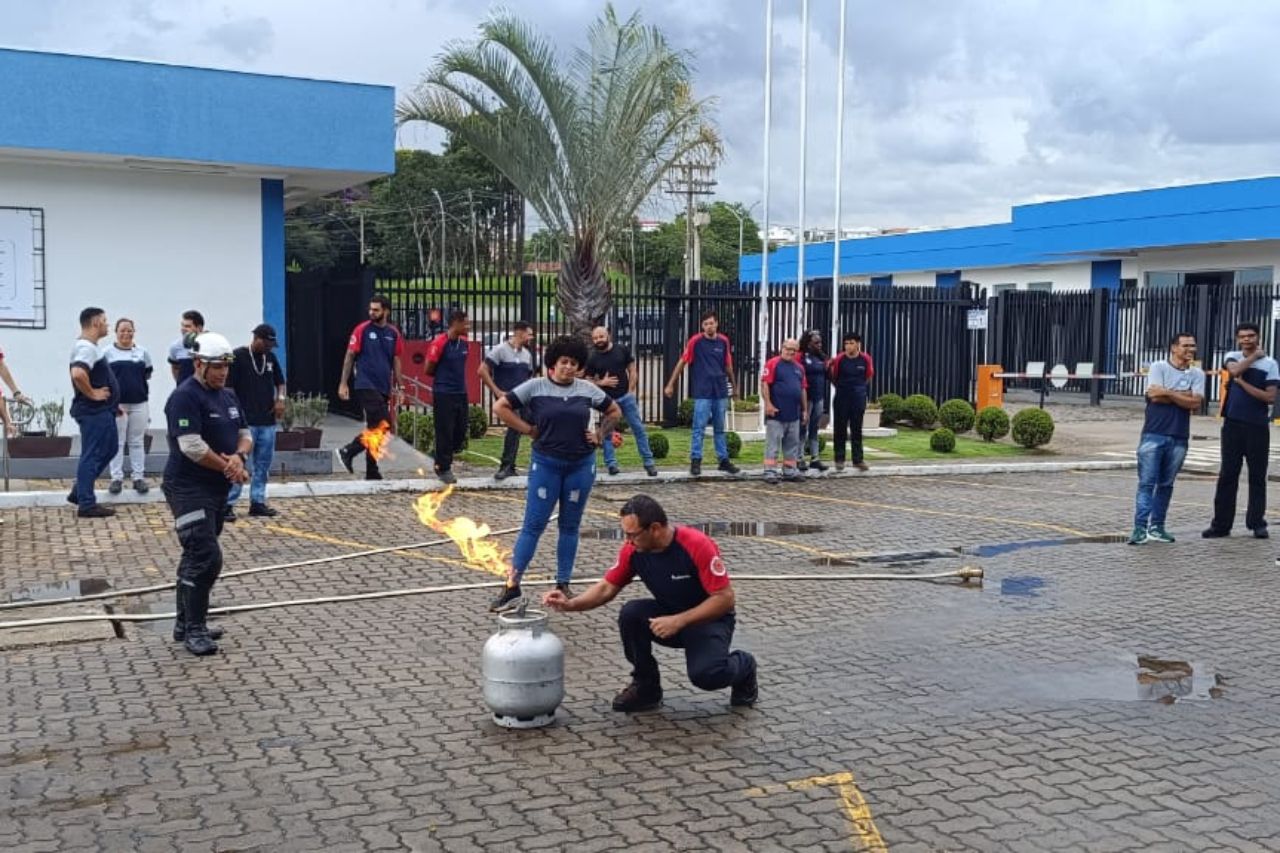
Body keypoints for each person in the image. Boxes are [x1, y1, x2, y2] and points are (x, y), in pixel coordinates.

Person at [542, 494, 758, 712]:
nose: (628, 541)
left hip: (709, 620)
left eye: (632, 534)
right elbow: (606, 588)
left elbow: (724, 598)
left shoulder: (696, 545)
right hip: (669, 615)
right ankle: (646, 687)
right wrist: (571, 604)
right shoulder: (633, 550)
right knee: (631, 614)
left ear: (654, 529)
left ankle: (745, 666)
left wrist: (679, 621)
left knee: (707, 676)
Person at [489, 334, 622, 612]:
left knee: (570, 526)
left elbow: (614, 411)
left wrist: (600, 434)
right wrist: (527, 429)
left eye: (574, 363)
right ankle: (512, 586)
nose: (568, 367)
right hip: (546, 465)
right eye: (564, 362)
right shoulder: (535, 387)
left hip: (580, 466)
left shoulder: (587, 389)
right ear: (553, 363)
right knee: (533, 525)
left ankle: (563, 583)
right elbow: (500, 407)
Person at [163, 332, 252, 656]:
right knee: (206, 556)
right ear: (199, 364)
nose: (223, 372)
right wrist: (229, 468)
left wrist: (239, 457)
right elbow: (192, 447)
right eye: (217, 367)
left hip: (215, 489)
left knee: (195, 556)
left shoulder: (228, 396)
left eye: (226, 366)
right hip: (187, 488)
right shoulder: (184, 397)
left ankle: (184, 622)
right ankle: (195, 630)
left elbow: (245, 434)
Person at [1204, 322, 1280, 539]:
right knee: (1228, 475)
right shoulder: (1233, 356)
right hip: (1232, 425)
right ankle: (1221, 525)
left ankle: (1257, 523)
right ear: (1238, 339)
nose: (1247, 339)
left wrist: (1242, 384)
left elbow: (1270, 397)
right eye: (1243, 336)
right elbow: (1235, 370)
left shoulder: (1270, 364)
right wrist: (1254, 357)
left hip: (1257, 426)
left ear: (1258, 337)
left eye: (1251, 336)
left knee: (1257, 476)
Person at [1129, 333, 1205, 545]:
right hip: (1154, 434)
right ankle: (1139, 528)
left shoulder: (1197, 374)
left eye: (1193, 346)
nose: (1190, 350)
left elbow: (1195, 404)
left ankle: (1157, 526)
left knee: (1166, 484)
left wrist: (1168, 393)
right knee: (1146, 483)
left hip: (1179, 436)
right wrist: (1183, 394)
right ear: (1173, 348)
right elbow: (1154, 396)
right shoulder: (1159, 367)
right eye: (1185, 346)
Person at [664, 311, 740, 477]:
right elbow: (682, 361)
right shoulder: (696, 341)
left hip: (720, 390)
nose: (709, 327)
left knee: (720, 428)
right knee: (699, 427)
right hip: (703, 391)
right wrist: (671, 384)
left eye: (711, 323)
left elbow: (728, 365)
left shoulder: (723, 341)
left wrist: (734, 387)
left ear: (716, 324)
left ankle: (723, 460)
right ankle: (696, 460)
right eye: (706, 324)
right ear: (702, 326)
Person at [337, 295, 403, 481]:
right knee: (385, 424)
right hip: (365, 384)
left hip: (383, 386)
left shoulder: (393, 333)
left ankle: (372, 470)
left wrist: (400, 385)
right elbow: (350, 356)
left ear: (386, 311)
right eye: (370, 309)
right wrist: (343, 383)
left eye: (376, 310)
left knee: (375, 428)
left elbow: (396, 360)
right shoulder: (362, 330)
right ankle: (349, 450)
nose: (371, 312)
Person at [225, 324, 286, 520]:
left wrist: (280, 399)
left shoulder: (270, 358)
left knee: (263, 463)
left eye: (271, 345)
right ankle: (228, 504)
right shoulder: (238, 356)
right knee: (239, 462)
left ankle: (258, 501)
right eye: (266, 343)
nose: (269, 347)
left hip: (267, 420)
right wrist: (234, 411)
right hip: (246, 422)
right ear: (257, 338)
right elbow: (228, 388)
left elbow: (280, 382)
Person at [67, 307, 121, 518]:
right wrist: (93, 394)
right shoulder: (86, 348)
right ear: (96, 322)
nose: (107, 325)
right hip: (93, 411)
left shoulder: (90, 347)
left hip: (102, 410)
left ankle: (79, 491)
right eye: (105, 321)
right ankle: (87, 503)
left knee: (109, 448)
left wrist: (112, 402)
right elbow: (78, 373)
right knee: (93, 454)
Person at [586, 325, 659, 477]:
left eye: (601, 336)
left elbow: (632, 369)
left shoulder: (621, 350)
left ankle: (649, 463)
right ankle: (611, 464)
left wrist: (631, 391)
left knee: (638, 429)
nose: (598, 340)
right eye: (595, 338)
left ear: (608, 335)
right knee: (607, 433)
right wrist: (602, 383)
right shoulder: (593, 358)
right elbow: (588, 380)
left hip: (626, 398)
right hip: (608, 401)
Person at [479, 321, 536, 480]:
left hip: (523, 397)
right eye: (529, 334)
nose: (531, 338)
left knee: (538, 422)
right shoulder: (500, 350)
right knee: (515, 427)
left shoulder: (527, 355)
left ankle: (536, 463)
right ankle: (506, 466)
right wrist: (497, 391)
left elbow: (528, 377)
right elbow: (482, 370)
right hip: (507, 398)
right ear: (520, 333)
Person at [105, 318, 153, 495]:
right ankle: (116, 478)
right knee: (117, 442)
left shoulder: (142, 352)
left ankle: (138, 477)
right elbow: (103, 377)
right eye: (122, 330)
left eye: (129, 330)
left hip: (139, 403)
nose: (126, 333)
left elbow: (147, 374)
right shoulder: (107, 353)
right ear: (116, 332)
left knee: (137, 441)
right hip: (118, 404)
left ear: (134, 331)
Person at [425, 310, 472, 485]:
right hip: (444, 393)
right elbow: (428, 368)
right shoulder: (439, 343)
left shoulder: (465, 344)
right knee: (444, 430)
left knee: (460, 431)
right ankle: (443, 467)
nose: (468, 326)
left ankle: (439, 454)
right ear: (456, 323)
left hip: (461, 392)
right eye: (466, 323)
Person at [760, 338, 808, 484]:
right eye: (788, 348)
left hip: (794, 414)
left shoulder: (799, 368)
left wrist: (805, 410)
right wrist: (768, 404)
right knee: (773, 445)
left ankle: (789, 471)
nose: (790, 352)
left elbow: (802, 389)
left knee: (792, 445)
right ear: (782, 348)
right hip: (776, 413)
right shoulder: (773, 363)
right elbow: (765, 384)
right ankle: (770, 471)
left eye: (794, 350)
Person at [829, 332, 874, 472]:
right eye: (846, 343)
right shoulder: (839, 359)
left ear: (858, 344)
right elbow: (834, 377)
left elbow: (868, 376)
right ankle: (839, 459)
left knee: (857, 429)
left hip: (858, 398)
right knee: (840, 429)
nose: (848, 346)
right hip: (842, 397)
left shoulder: (865, 359)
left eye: (851, 343)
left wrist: (859, 389)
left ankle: (858, 460)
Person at [797, 330, 830, 472]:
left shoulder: (821, 357)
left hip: (818, 397)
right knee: (802, 427)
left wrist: (829, 366)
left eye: (820, 342)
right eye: (816, 342)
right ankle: (799, 457)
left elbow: (828, 375)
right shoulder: (801, 357)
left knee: (814, 428)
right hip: (806, 398)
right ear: (808, 343)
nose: (819, 345)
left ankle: (815, 458)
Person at [167, 310, 204, 384]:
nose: (183, 329)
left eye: (187, 326)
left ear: (199, 328)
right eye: (182, 325)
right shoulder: (175, 346)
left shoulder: (210, 345)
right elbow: (175, 368)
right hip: (184, 388)